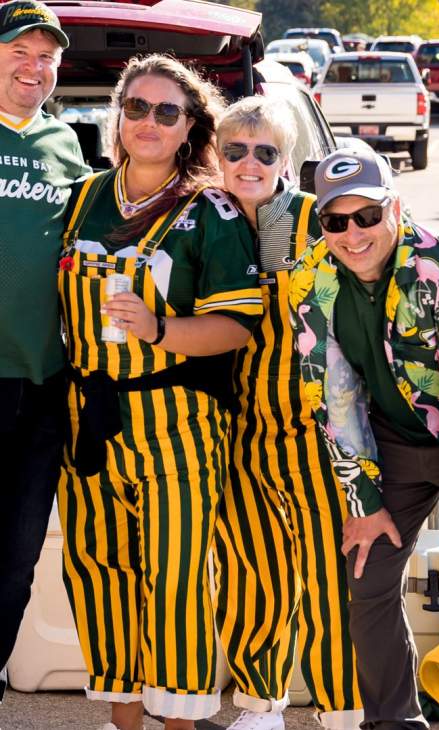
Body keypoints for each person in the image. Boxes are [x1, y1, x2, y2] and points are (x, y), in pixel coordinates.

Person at [289, 147, 439, 730]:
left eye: (367, 215)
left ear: (394, 206)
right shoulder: (309, 277)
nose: (352, 234)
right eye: (335, 220)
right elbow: (333, 397)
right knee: (367, 579)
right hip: (395, 440)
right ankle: (392, 722)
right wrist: (365, 503)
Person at [56, 54, 263, 730]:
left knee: (175, 578)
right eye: (136, 108)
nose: (148, 122)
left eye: (166, 112)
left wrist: (159, 328)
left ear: (189, 127)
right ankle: (123, 719)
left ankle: (178, 721)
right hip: (86, 417)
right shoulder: (82, 197)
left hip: (176, 421)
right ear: (118, 117)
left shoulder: (214, 211)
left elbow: (236, 326)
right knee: (97, 568)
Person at [212, 96, 362, 730]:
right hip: (237, 432)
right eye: (235, 150)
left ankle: (343, 708)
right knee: (251, 571)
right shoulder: (202, 219)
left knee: (332, 575)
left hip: (318, 430)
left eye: (265, 151)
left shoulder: (315, 220)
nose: (250, 163)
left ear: (288, 159)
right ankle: (259, 705)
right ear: (215, 156)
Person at [0, 0, 90, 700]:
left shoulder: (66, 148)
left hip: (42, 386)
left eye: (46, 55)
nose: (34, 66)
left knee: (16, 562)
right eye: (19, 50)